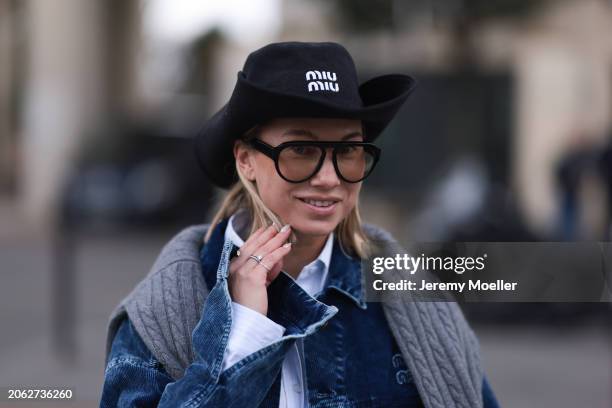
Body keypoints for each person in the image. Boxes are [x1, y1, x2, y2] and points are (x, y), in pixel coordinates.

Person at [100, 41, 500, 407]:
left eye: (347, 150)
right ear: (245, 160)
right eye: (302, 149)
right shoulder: (165, 308)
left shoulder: (412, 294)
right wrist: (244, 335)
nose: (329, 177)